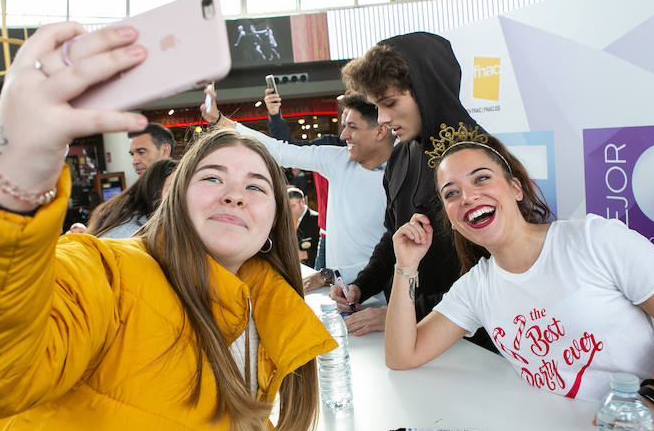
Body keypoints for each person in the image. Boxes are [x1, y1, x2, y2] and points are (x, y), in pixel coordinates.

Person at [0, 22, 335, 431]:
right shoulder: (108, 272)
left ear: (276, 219)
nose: (234, 194)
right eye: (212, 178)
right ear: (175, 199)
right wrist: (9, 176)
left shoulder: (266, 316)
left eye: (256, 186)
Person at [384, 124, 654, 431]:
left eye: (481, 178)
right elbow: (403, 355)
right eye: (451, 193)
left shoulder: (595, 241)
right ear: (450, 216)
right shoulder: (476, 287)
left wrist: (650, 404)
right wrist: (407, 265)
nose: (469, 196)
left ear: (516, 188)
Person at [331, 32, 494, 351]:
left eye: (390, 103)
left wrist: (400, 314)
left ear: (426, 90)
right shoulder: (402, 154)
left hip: (476, 347)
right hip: (414, 339)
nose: (383, 119)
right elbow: (393, 234)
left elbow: (493, 280)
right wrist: (361, 286)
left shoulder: (479, 159)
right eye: (377, 106)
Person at [205, 88, 392, 329]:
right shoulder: (336, 158)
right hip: (340, 298)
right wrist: (220, 121)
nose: (343, 134)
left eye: (352, 127)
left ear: (380, 130)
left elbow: (394, 253)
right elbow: (281, 151)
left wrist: (330, 276)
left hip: (383, 303)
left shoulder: (405, 174)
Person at [264, 82, 345, 271]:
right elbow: (286, 148)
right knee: (326, 292)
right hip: (328, 234)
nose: (346, 125)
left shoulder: (385, 152)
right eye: (344, 116)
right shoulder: (327, 149)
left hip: (368, 234)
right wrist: (275, 115)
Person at [85, 158, 178, 238]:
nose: (178, 196)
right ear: (154, 189)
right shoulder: (133, 230)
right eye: (171, 189)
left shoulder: (125, 214)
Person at [287, 187, 319, 268]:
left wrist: (306, 254)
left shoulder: (317, 220)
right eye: (286, 207)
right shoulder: (286, 221)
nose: (288, 211)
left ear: (302, 202)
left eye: (292, 206)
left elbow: (325, 250)